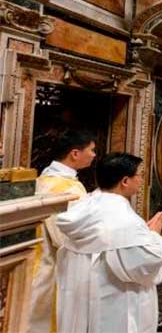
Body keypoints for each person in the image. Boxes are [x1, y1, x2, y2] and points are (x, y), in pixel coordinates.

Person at [55, 152, 162, 333]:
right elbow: (143, 265)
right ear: (125, 181)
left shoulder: (85, 206)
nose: (141, 180)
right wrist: (155, 235)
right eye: (140, 175)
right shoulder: (122, 219)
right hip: (113, 301)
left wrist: (141, 236)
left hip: (81, 296)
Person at [28, 130, 96, 333]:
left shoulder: (43, 179)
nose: (94, 155)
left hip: (36, 261)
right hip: (53, 266)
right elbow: (68, 236)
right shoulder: (65, 188)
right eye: (91, 150)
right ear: (75, 153)